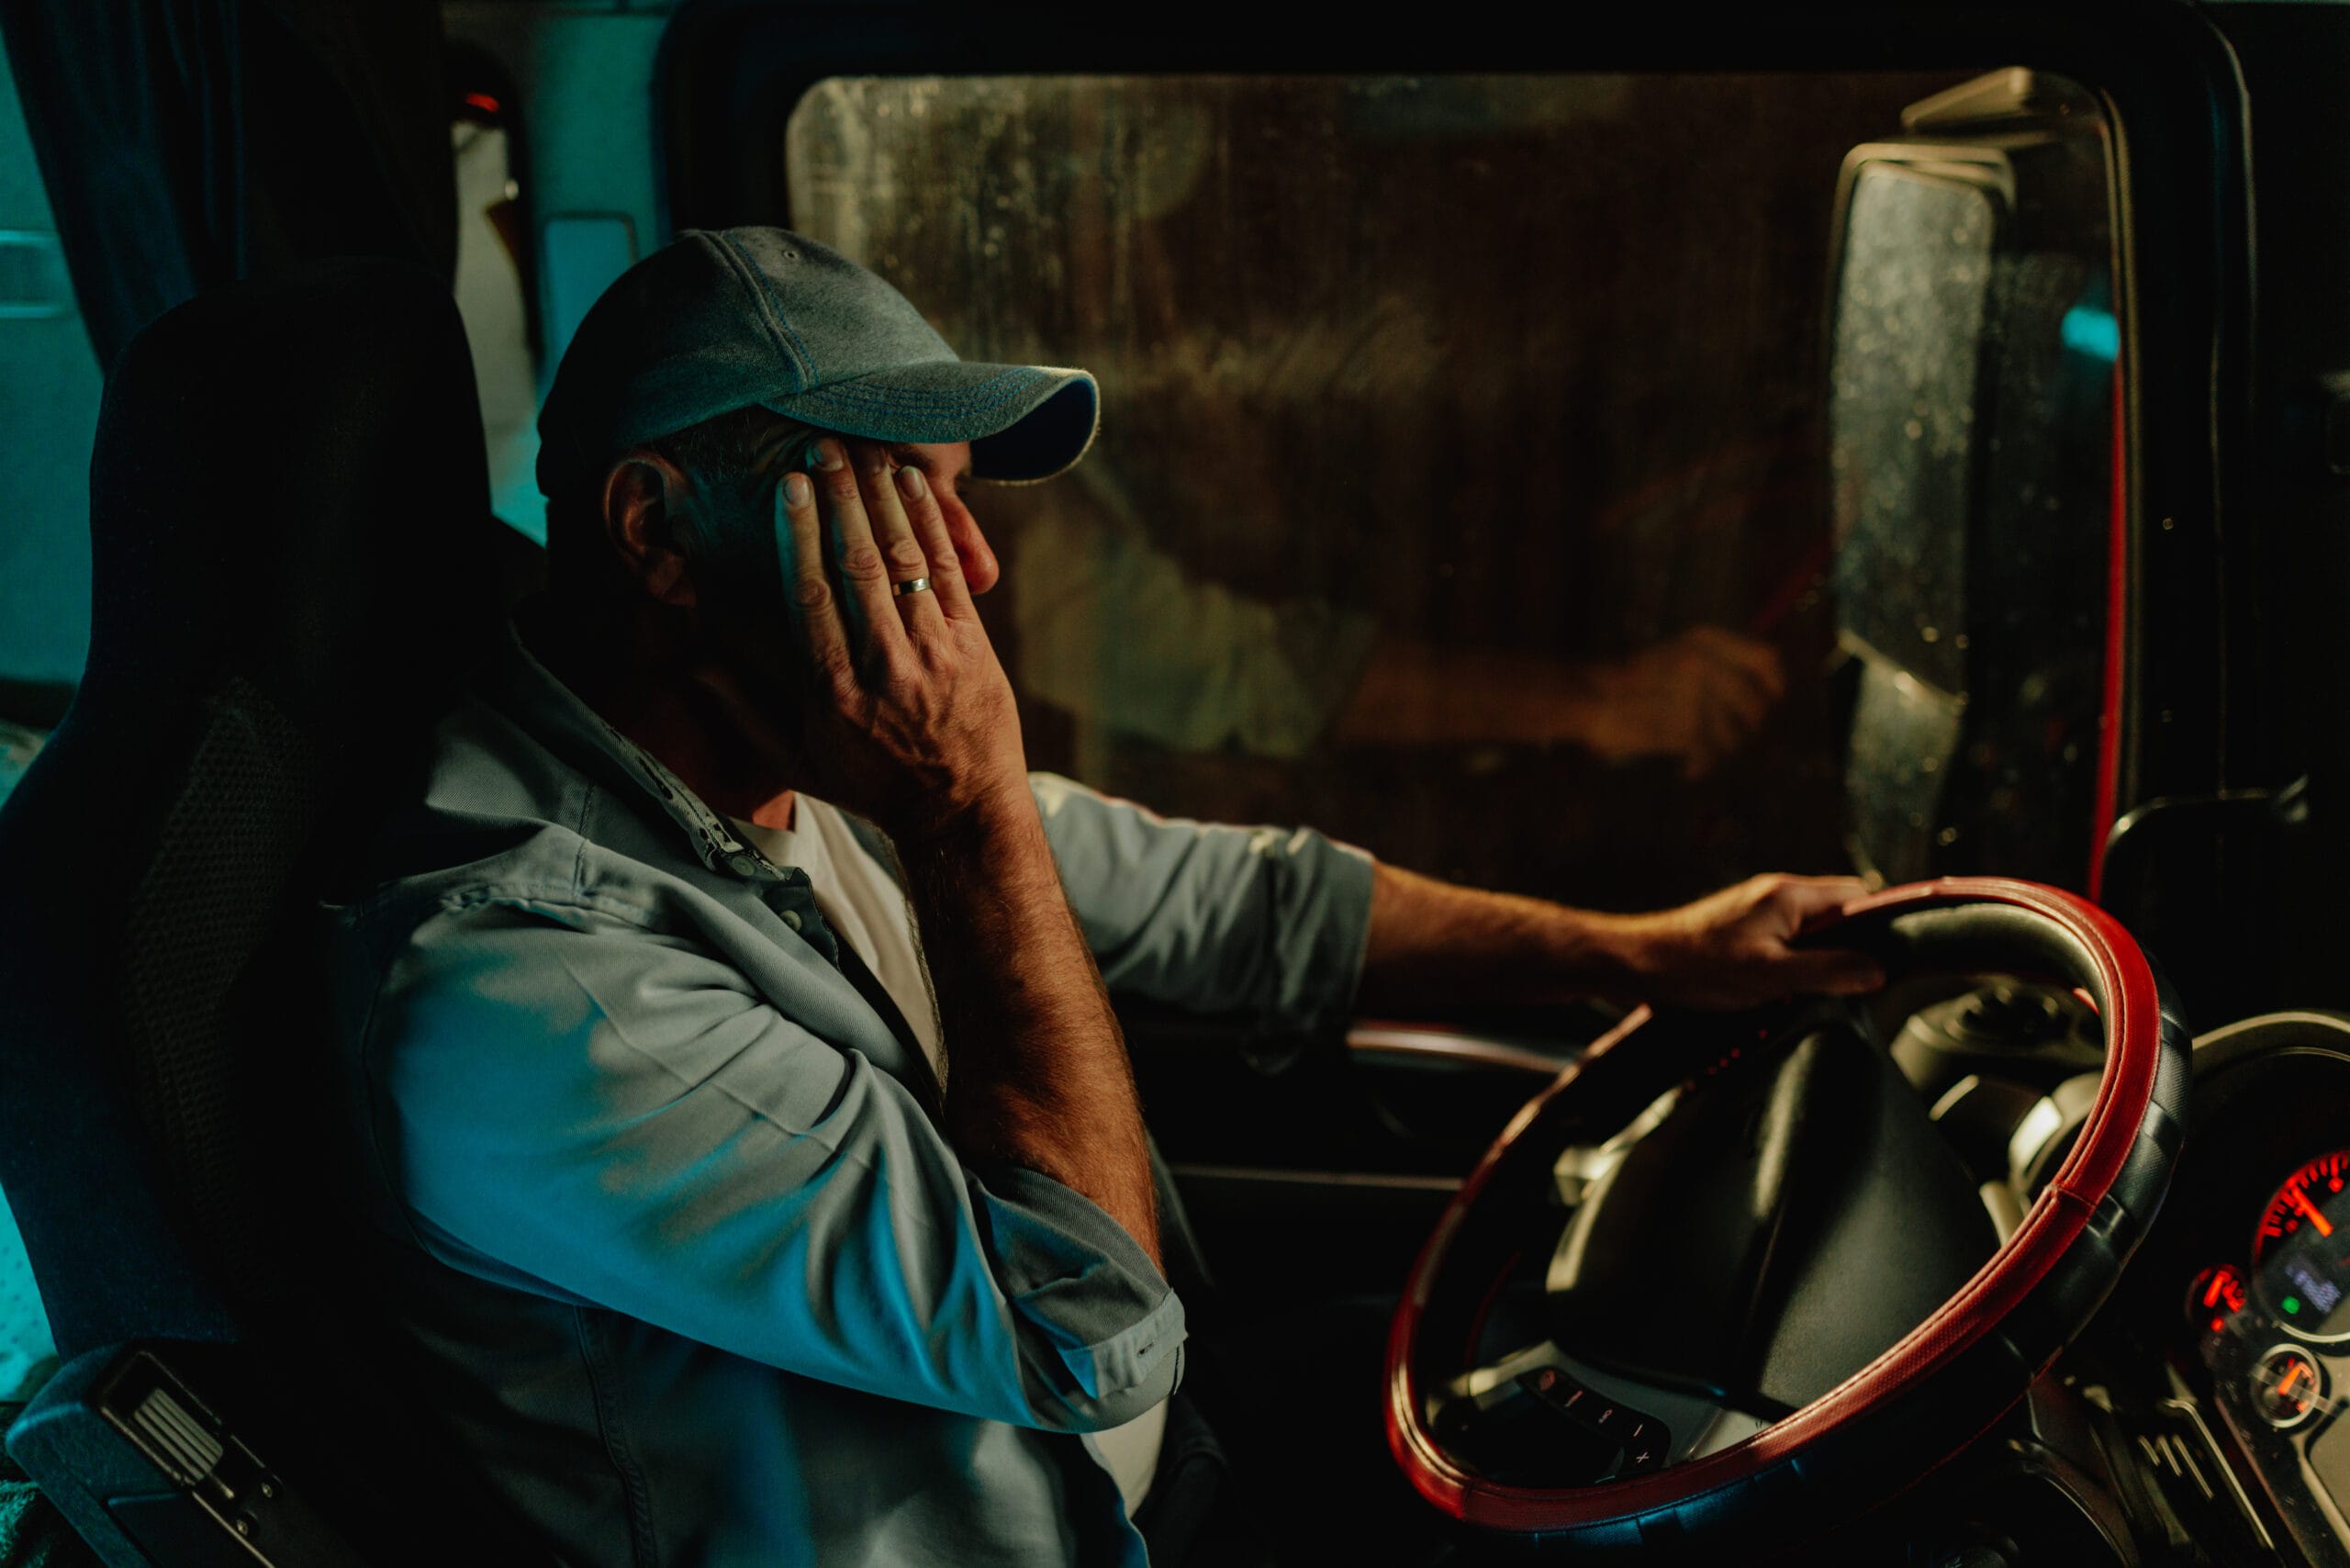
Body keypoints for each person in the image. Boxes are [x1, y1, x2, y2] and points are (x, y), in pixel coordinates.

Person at [322, 226, 1884, 1568]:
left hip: (1155, 1478)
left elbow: (1241, 910)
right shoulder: (525, 990)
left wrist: (1653, 957)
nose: (978, 575)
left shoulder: (784, 775)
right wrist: (968, 806)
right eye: (896, 511)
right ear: (658, 533)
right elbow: (1083, 1333)